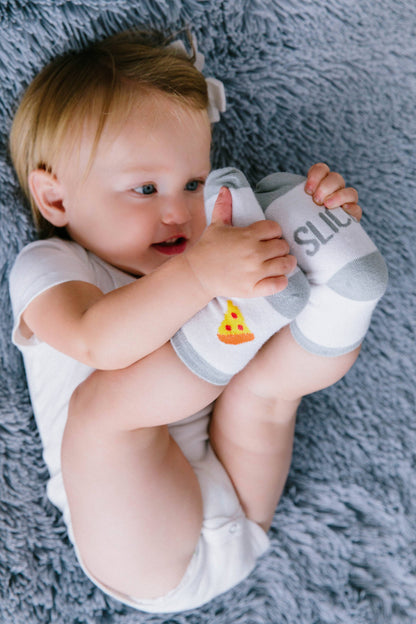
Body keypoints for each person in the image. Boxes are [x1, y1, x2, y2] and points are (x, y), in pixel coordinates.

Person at [8, 29, 387, 613]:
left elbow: (220, 297)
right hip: (141, 546)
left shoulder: (206, 251)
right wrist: (202, 278)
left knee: (264, 389)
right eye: (145, 188)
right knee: (100, 413)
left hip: (237, 490)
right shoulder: (52, 263)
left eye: (193, 183)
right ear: (56, 201)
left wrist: (313, 227)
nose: (178, 211)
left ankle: (340, 296)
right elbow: (96, 342)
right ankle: (262, 301)